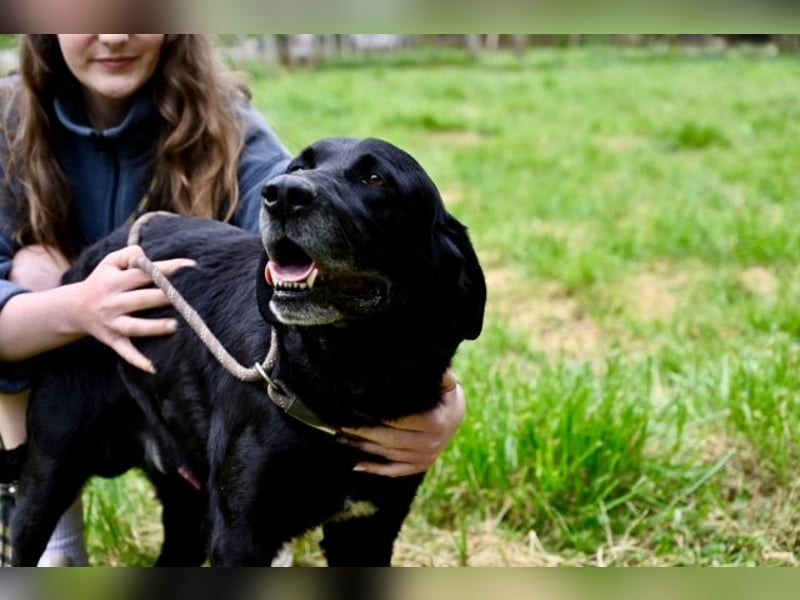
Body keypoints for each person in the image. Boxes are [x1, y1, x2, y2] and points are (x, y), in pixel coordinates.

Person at [0, 34, 466, 566]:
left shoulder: (230, 125)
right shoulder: (7, 119)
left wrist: (444, 395)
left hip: (192, 354)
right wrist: (74, 308)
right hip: (64, 335)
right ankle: (47, 535)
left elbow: (328, 236)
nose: (113, 33)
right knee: (32, 267)